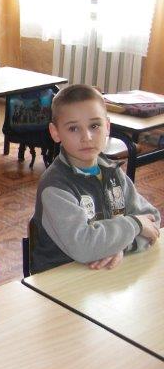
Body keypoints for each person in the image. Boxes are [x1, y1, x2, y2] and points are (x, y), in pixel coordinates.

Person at [30, 84, 161, 274]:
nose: (87, 137)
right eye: (73, 128)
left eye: (94, 126)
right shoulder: (55, 187)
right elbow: (83, 247)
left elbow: (152, 220)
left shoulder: (112, 172)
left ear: (107, 127)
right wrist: (135, 225)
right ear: (55, 132)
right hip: (62, 278)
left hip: (105, 273)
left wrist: (119, 247)